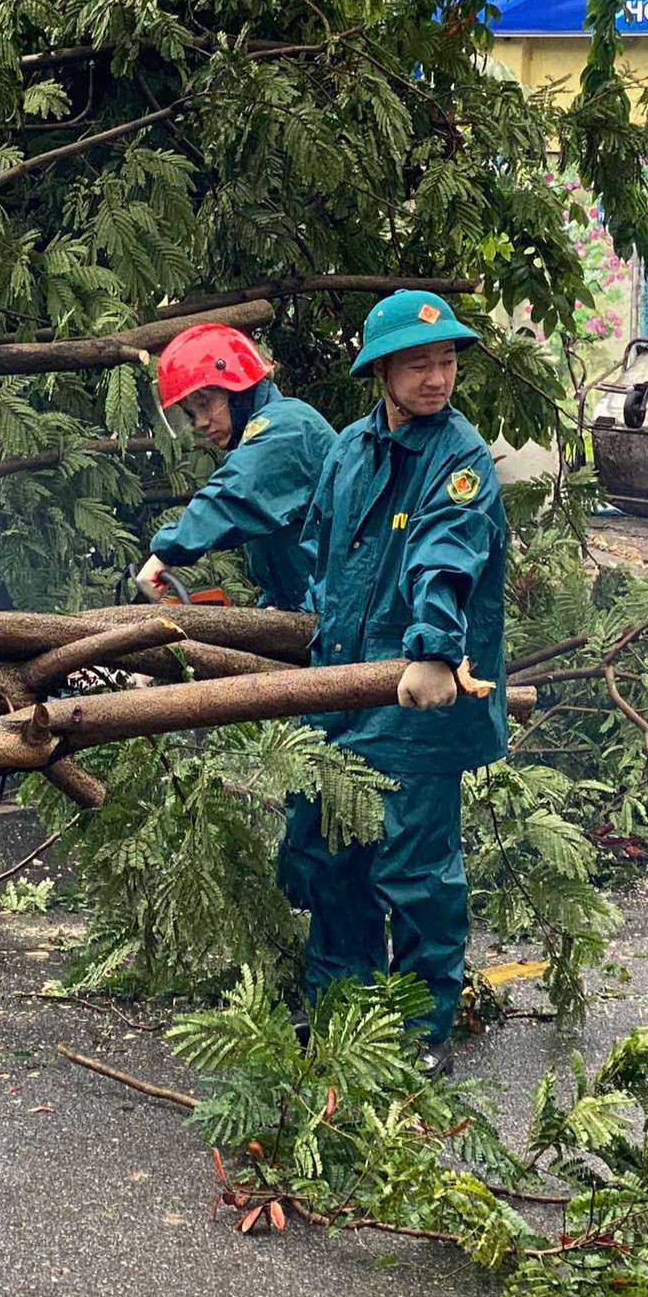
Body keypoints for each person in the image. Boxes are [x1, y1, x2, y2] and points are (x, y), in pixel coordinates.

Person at [290, 291, 508, 1074]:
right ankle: (341, 1008)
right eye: (420, 363)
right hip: (340, 685)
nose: (438, 377)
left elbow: (447, 557)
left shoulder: (459, 457)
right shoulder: (349, 450)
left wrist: (435, 649)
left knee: (412, 864)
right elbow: (318, 553)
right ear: (381, 368)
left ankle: (421, 1027)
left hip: (417, 693)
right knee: (329, 851)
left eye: (447, 361)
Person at [132, 323, 335, 613]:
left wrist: (166, 553)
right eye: (192, 412)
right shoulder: (260, 436)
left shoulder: (286, 428)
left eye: (205, 403)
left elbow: (235, 495)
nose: (201, 422)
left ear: (238, 388)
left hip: (344, 619)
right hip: (320, 613)